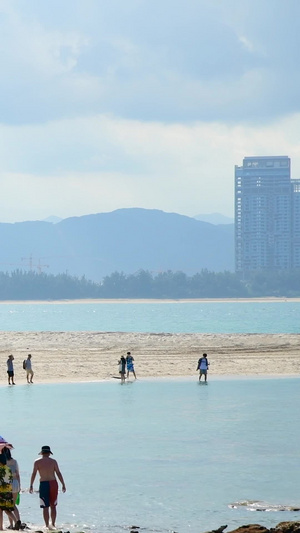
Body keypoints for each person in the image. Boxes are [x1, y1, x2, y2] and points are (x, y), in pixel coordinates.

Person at [29, 445, 66, 530]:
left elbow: (34, 473)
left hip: (43, 484)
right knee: (53, 505)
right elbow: (58, 473)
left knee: (45, 506)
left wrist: (31, 485)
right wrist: (63, 484)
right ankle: (53, 524)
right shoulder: (53, 461)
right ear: (49, 453)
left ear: (42, 453)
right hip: (53, 483)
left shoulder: (37, 462)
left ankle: (46, 525)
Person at [2, 448, 21, 530]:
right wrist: (19, 485)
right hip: (15, 483)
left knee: (7, 506)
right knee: (13, 505)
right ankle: (18, 521)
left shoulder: (2, 462)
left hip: (7, 484)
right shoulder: (15, 461)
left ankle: (12, 524)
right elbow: (17, 474)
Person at [0, 453, 17, 531]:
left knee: (0, 510)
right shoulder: (8, 469)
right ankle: (16, 521)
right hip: (8, 490)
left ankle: (0, 527)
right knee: (7, 509)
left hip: (1, 491)